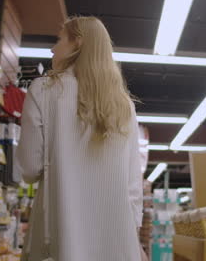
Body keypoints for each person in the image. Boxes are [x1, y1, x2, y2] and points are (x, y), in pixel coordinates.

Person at [15, 16, 147, 261]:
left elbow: (29, 169)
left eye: (59, 39)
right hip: (116, 245)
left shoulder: (43, 91)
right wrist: (135, 241)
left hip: (59, 240)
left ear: (77, 43)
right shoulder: (124, 105)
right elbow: (132, 187)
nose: (53, 48)